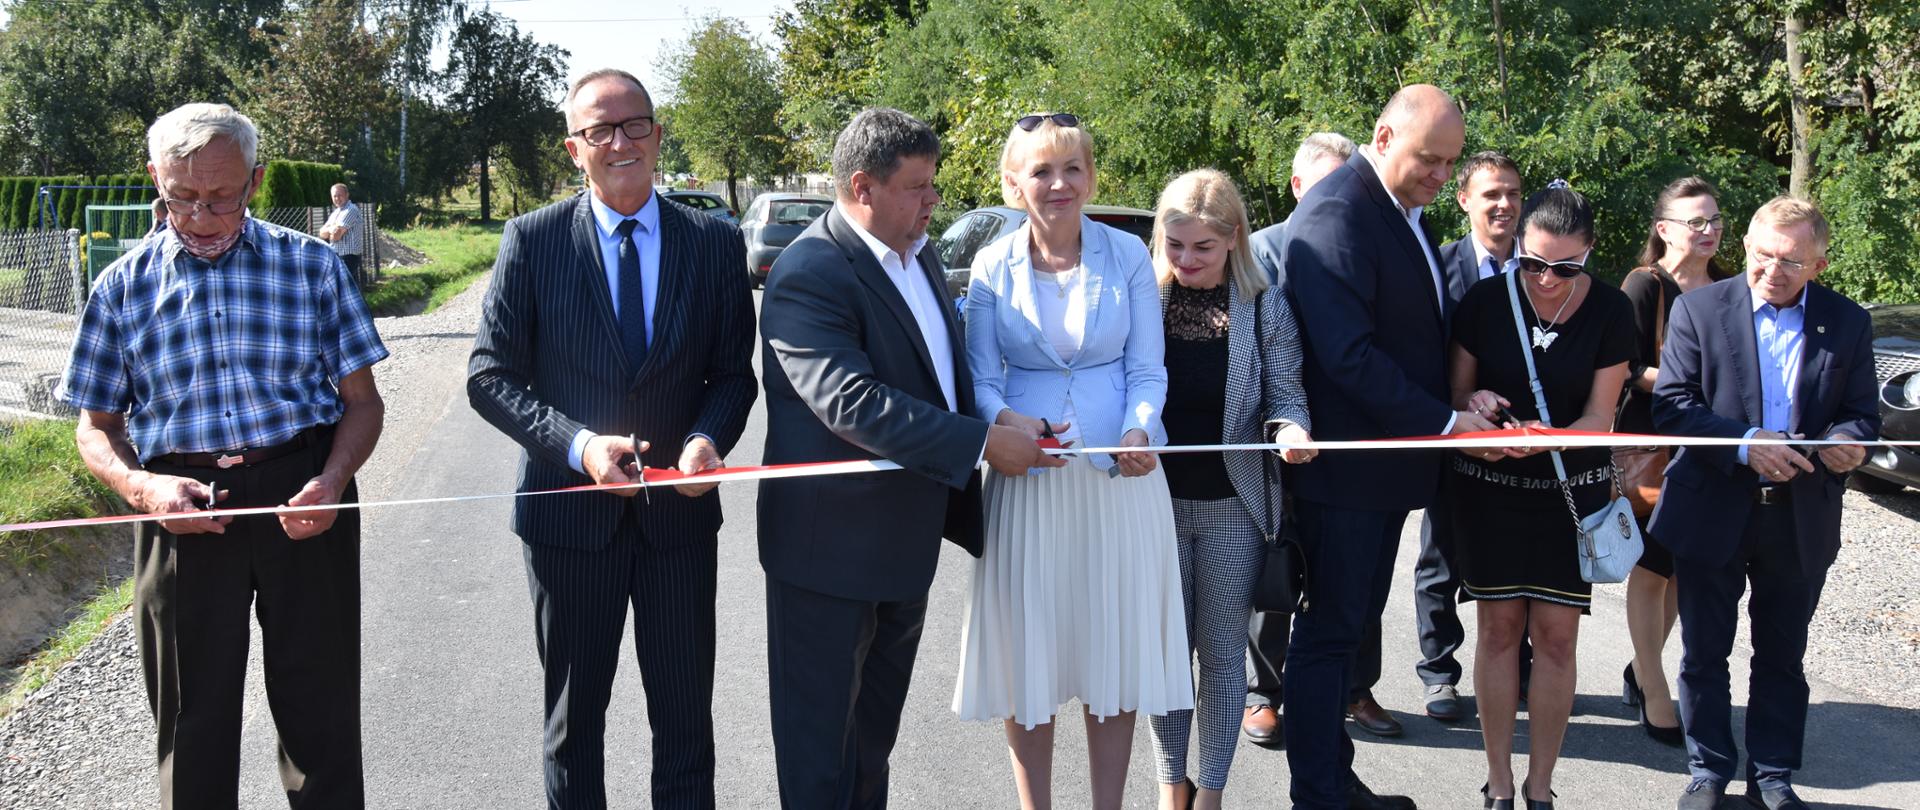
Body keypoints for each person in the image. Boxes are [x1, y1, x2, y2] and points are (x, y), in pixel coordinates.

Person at [57, 102, 388, 808]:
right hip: (179, 505)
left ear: (256, 181)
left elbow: (363, 403)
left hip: (305, 494)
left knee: (320, 709)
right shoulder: (121, 287)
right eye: (182, 197)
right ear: (155, 177)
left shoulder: (314, 268)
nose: (202, 216)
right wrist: (144, 490)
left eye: (223, 197)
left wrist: (332, 478)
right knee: (192, 718)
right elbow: (95, 427)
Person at [466, 68, 758, 810]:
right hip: (569, 525)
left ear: (659, 136)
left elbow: (732, 375)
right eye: (600, 129)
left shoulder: (716, 244)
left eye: (634, 126)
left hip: (678, 523)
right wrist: (580, 446)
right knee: (574, 728)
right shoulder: (531, 242)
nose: (619, 141)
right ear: (574, 148)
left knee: (687, 727)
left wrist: (705, 439)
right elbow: (489, 377)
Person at [758, 107, 1059, 809]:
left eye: (933, 184)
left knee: (871, 748)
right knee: (817, 756)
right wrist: (983, 444)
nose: (933, 202)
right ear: (863, 186)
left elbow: (941, 375)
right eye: (918, 187)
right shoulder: (809, 269)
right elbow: (850, 402)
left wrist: (999, 415)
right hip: (826, 558)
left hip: (904, 548)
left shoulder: (918, 252)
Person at [953, 111, 1188, 810]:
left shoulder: (1129, 258)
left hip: (1122, 482)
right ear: (1012, 181)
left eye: (1072, 168)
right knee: (1033, 659)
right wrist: (1006, 421)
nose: (1059, 184)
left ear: (1089, 174)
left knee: (1111, 654)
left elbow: (1149, 371)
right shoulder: (992, 263)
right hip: (1028, 482)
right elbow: (979, 378)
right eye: (1042, 170)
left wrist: (1142, 431)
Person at [1282, 84, 1495, 810]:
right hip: (1346, 476)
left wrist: (1462, 401)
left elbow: (1415, 334)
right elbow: (1348, 355)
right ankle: (1318, 794)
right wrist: (1442, 421)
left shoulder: (1398, 211)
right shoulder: (1339, 211)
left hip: (1382, 474)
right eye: (1429, 160)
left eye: (1451, 162)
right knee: (1328, 636)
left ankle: (1334, 781)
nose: (1442, 176)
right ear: (1381, 137)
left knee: (1343, 635)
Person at [1652, 197, 1877, 810]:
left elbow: (1862, 415)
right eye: (1762, 255)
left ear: (1819, 264)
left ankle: (1772, 777)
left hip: (1799, 516)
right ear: (1746, 245)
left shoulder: (1848, 322)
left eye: (1791, 262)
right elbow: (1672, 406)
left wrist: (1847, 445)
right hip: (1713, 507)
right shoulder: (1700, 310)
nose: (1772, 271)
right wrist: (1746, 445)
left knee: (1782, 654)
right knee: (1705, 652)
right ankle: (1708, 772)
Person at [1448, 184, 1635, 809]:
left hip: (1568, 494)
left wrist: (1542, 438)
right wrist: (1476, 408)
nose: (1546, 278)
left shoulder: (1612, 311)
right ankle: (1499, 782)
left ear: (1590, 254)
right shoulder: (1482, 300)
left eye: (1565, 267)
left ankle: (1540, 785)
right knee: (1498, 632)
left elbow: (1600, 420)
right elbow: (1456, 403)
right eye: (1532, 263)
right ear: (1518, 249)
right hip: (1492, 492)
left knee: (1557, 638)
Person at [1146, 169, 1314, 810]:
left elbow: (1286, 390)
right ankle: (1171, 791)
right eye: (1175, 245)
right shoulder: (1144, 298)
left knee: (1220, 655)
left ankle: (1210, 794)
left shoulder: (1263, 302)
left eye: (1203, 248)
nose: (1187, 260)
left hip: (1233, 507)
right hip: (1151, 503)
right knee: (1165, 654)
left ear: (1233, 239)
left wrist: (1292, 427)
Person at [1242, 131, 1364, 746]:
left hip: (1346, 445)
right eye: (1324, 186)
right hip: (1279, 443)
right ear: (1296, 187)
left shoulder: (1364, 246)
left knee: (1352, 574)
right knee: (1278, 567)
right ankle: (1264, 694)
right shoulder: (1262, 252)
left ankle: (1355, 687)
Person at [1615, 175, 1732, 747]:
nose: (1709, 230)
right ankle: (1654, 687)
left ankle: (1640, 670)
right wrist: (1692, 387)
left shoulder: (1731, 288)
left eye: (1714, 220)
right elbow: (1625, 368)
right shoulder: (1646, 285)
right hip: (1652, 446)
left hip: (1709, 447)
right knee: (1653, 566)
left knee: (1685, 567)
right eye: (1696, 221)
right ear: (1664, 230)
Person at [1418, 150, 1527, 724]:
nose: (1504, 204)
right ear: (1464, 201)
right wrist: (1461, 407)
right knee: (1441, 557)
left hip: (1525, 441)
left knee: (1519, 554)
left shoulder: (1543, 266)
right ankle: (1440, 673)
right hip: (1454, 433)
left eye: (1511, 192)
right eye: (1491, 194)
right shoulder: (1438, 266)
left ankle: (1521, 669)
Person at [319, 182, 366, 286]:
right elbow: (322, 233)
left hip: (348, 256)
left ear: (347, 195)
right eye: (334, 196)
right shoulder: (335, 213)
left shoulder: (351, 210)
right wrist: (332, 229)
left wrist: (331, 230)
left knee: (341, 287)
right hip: (336, 255)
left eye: (340, 195)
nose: (337, 198)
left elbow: (336, 236)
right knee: (348, 289)